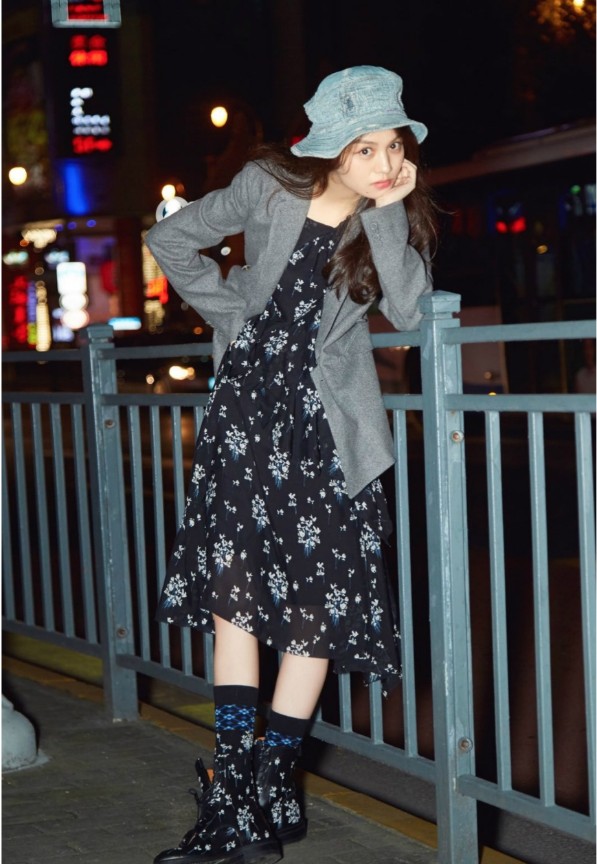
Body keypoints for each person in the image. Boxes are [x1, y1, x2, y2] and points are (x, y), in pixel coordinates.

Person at [145, 65, 437, 864]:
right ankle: (234, 798)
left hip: (328, 433)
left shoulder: (387, 215)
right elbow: (170, 238)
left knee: (315, 609)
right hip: (246, 420)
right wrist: (231, 311)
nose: (384, 161)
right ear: (329, 147)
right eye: (365, 147)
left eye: (393, 145)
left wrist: (388, 210)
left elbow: (409, 310)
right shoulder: (266, 184)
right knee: (234, 604)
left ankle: (269, 787)